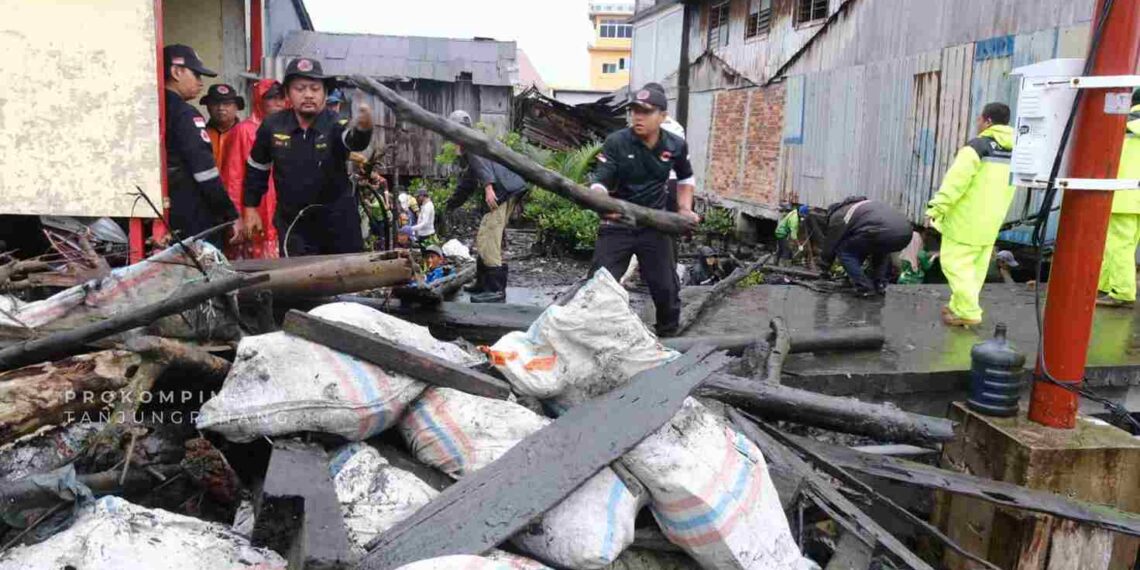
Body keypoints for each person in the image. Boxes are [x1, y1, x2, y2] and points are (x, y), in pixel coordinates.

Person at [589, 83, 700, 337]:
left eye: (645, 112)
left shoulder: (675, 144)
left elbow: (686, 179)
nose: (637, 116)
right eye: (634, 111)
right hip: (617, 222)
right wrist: (599, 200)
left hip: (654, 224)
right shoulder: (617, 142)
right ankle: (591, 334)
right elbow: (600, 180)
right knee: (597, 283)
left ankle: (668, 338)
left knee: (666, 288)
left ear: (662, 116)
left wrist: (684, 208)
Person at [242, 57, 374, 256]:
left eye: (314, 88)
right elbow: (257, 168)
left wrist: (364, 129)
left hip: (338, 223)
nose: (308, 95)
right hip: (294, 224)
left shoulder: (337, 124)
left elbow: (353, 140)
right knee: (299, 282)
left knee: (346, 282)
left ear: (325, 93)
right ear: (287, 93)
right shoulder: (272, 126)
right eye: (300, 88)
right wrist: (250, 208)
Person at [925, 102, 1016, 326]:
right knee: (975, 268)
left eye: (979, 119)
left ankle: (969, 311)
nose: (978, 123)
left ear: (987, 121)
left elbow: (956, 182)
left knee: (954, 265)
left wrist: (936, 208)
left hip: (965, 219)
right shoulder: (1016, 149)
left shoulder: (977, 147)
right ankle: (958, 307)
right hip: (992, 220)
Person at [443, 110, 529, 304]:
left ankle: (495, 290)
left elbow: (482, 166)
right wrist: (451, 204)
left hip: (501, 190)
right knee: (484, 236)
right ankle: (482, 283)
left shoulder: (470, 143)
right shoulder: (471, 145)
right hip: (506, 188)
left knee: (489, 237)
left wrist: (489, 187)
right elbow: (468, 182)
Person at [162, 44, 238, 248]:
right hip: (192, 217)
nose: (200, 83)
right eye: (196, 75)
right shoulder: (185, 114)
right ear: (176, 72)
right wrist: (229, 213)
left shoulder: (153, 108)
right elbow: (205, 173)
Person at [220, 79, 287, 259]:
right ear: (259, 101)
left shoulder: (289, 129)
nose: (278, 103)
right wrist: (235, 216)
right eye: (271, 98)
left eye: (281, 97)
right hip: (256, 206)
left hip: (281, 207)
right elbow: (232, 177)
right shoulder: (244, 131)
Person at [1097, 90, 1140, 307]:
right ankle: (1106, 284)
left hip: (1123, 194)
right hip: (1136, 196)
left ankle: (1121, 292)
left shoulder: (1123, 124)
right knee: (1126, 244)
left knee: (1117, 245)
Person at [819, 196, 912, 297]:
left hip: (880, 230)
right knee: (880, 251)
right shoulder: (866, 205)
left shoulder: (838, 215)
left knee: (844, 251)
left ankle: (865, 287)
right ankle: (879, 285)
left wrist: (824, 268)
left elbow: (831, 245)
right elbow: (860, 246)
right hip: (906, 231)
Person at [201, 83, 244, 166]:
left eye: (227, 104)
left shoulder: (247, 135)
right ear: (208, 107)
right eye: (215, 104)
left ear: (236, 107)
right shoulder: (199, 135)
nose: (221, 108)